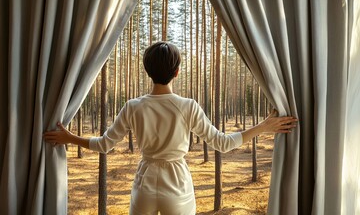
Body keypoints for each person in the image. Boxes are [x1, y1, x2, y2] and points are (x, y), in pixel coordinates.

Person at [44, 41, 298, 215]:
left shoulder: (133, 106)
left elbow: (104, 145)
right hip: (177, 186)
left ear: (147, 70)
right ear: (177, 72)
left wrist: (69, 137)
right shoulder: (187, 106)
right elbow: (223, 142)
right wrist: (264, 126)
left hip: (143, 185)